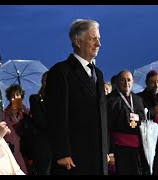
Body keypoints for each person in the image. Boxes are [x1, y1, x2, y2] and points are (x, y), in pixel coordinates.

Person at [45, 19, 108, 175]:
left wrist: (107, 149)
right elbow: (56, 115)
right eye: (93, 39)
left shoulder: (98, 74)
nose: (98, 44)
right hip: (74, 158)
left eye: (99, 38)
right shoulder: (61, 72)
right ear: (78, 42)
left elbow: (102, 114)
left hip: (98, 156)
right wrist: (62, 152)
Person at [107, 70, 150, 175]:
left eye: (129, 80)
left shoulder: (138, 99)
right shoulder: (109, 100)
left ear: (133, 81)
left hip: (138, 149)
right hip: (119, 149)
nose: (126, 83)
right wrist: (110, 152)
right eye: (122, 80)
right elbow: (106, 128)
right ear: (117, 82)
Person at [137, 70, 158, 175]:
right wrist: (151, 112)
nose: (156, 85)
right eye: (153, 82)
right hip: (149, 140)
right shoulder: (139, 98)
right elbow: (138, 117)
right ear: (147, 83)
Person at [3, 84, 31, 174]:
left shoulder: (26, 111)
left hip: (28, 149)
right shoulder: (5, 113)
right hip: (16, 150)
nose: (15, 98)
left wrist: (26, 112)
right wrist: (10, 117)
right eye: (13, 96)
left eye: (18, 95)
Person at [29, 71, 53, 175]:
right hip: (43, 145)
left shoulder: (60, 99)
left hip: (58, 146)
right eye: (45, 80)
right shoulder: (36, 99)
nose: (48, 83)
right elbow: (39, 121)